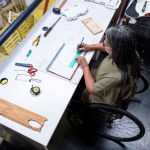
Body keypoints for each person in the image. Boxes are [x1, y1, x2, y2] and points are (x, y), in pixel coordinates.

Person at [76, 25, 141, 106]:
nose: (104, 44)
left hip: (100, 97)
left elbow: (92, 89)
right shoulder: (130, 52)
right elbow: (105, 47)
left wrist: (85, 65)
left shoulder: (116, 76)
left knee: (74, 92)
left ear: (115, 50)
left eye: (106, 44)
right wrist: (89, 47)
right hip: (105, 79)